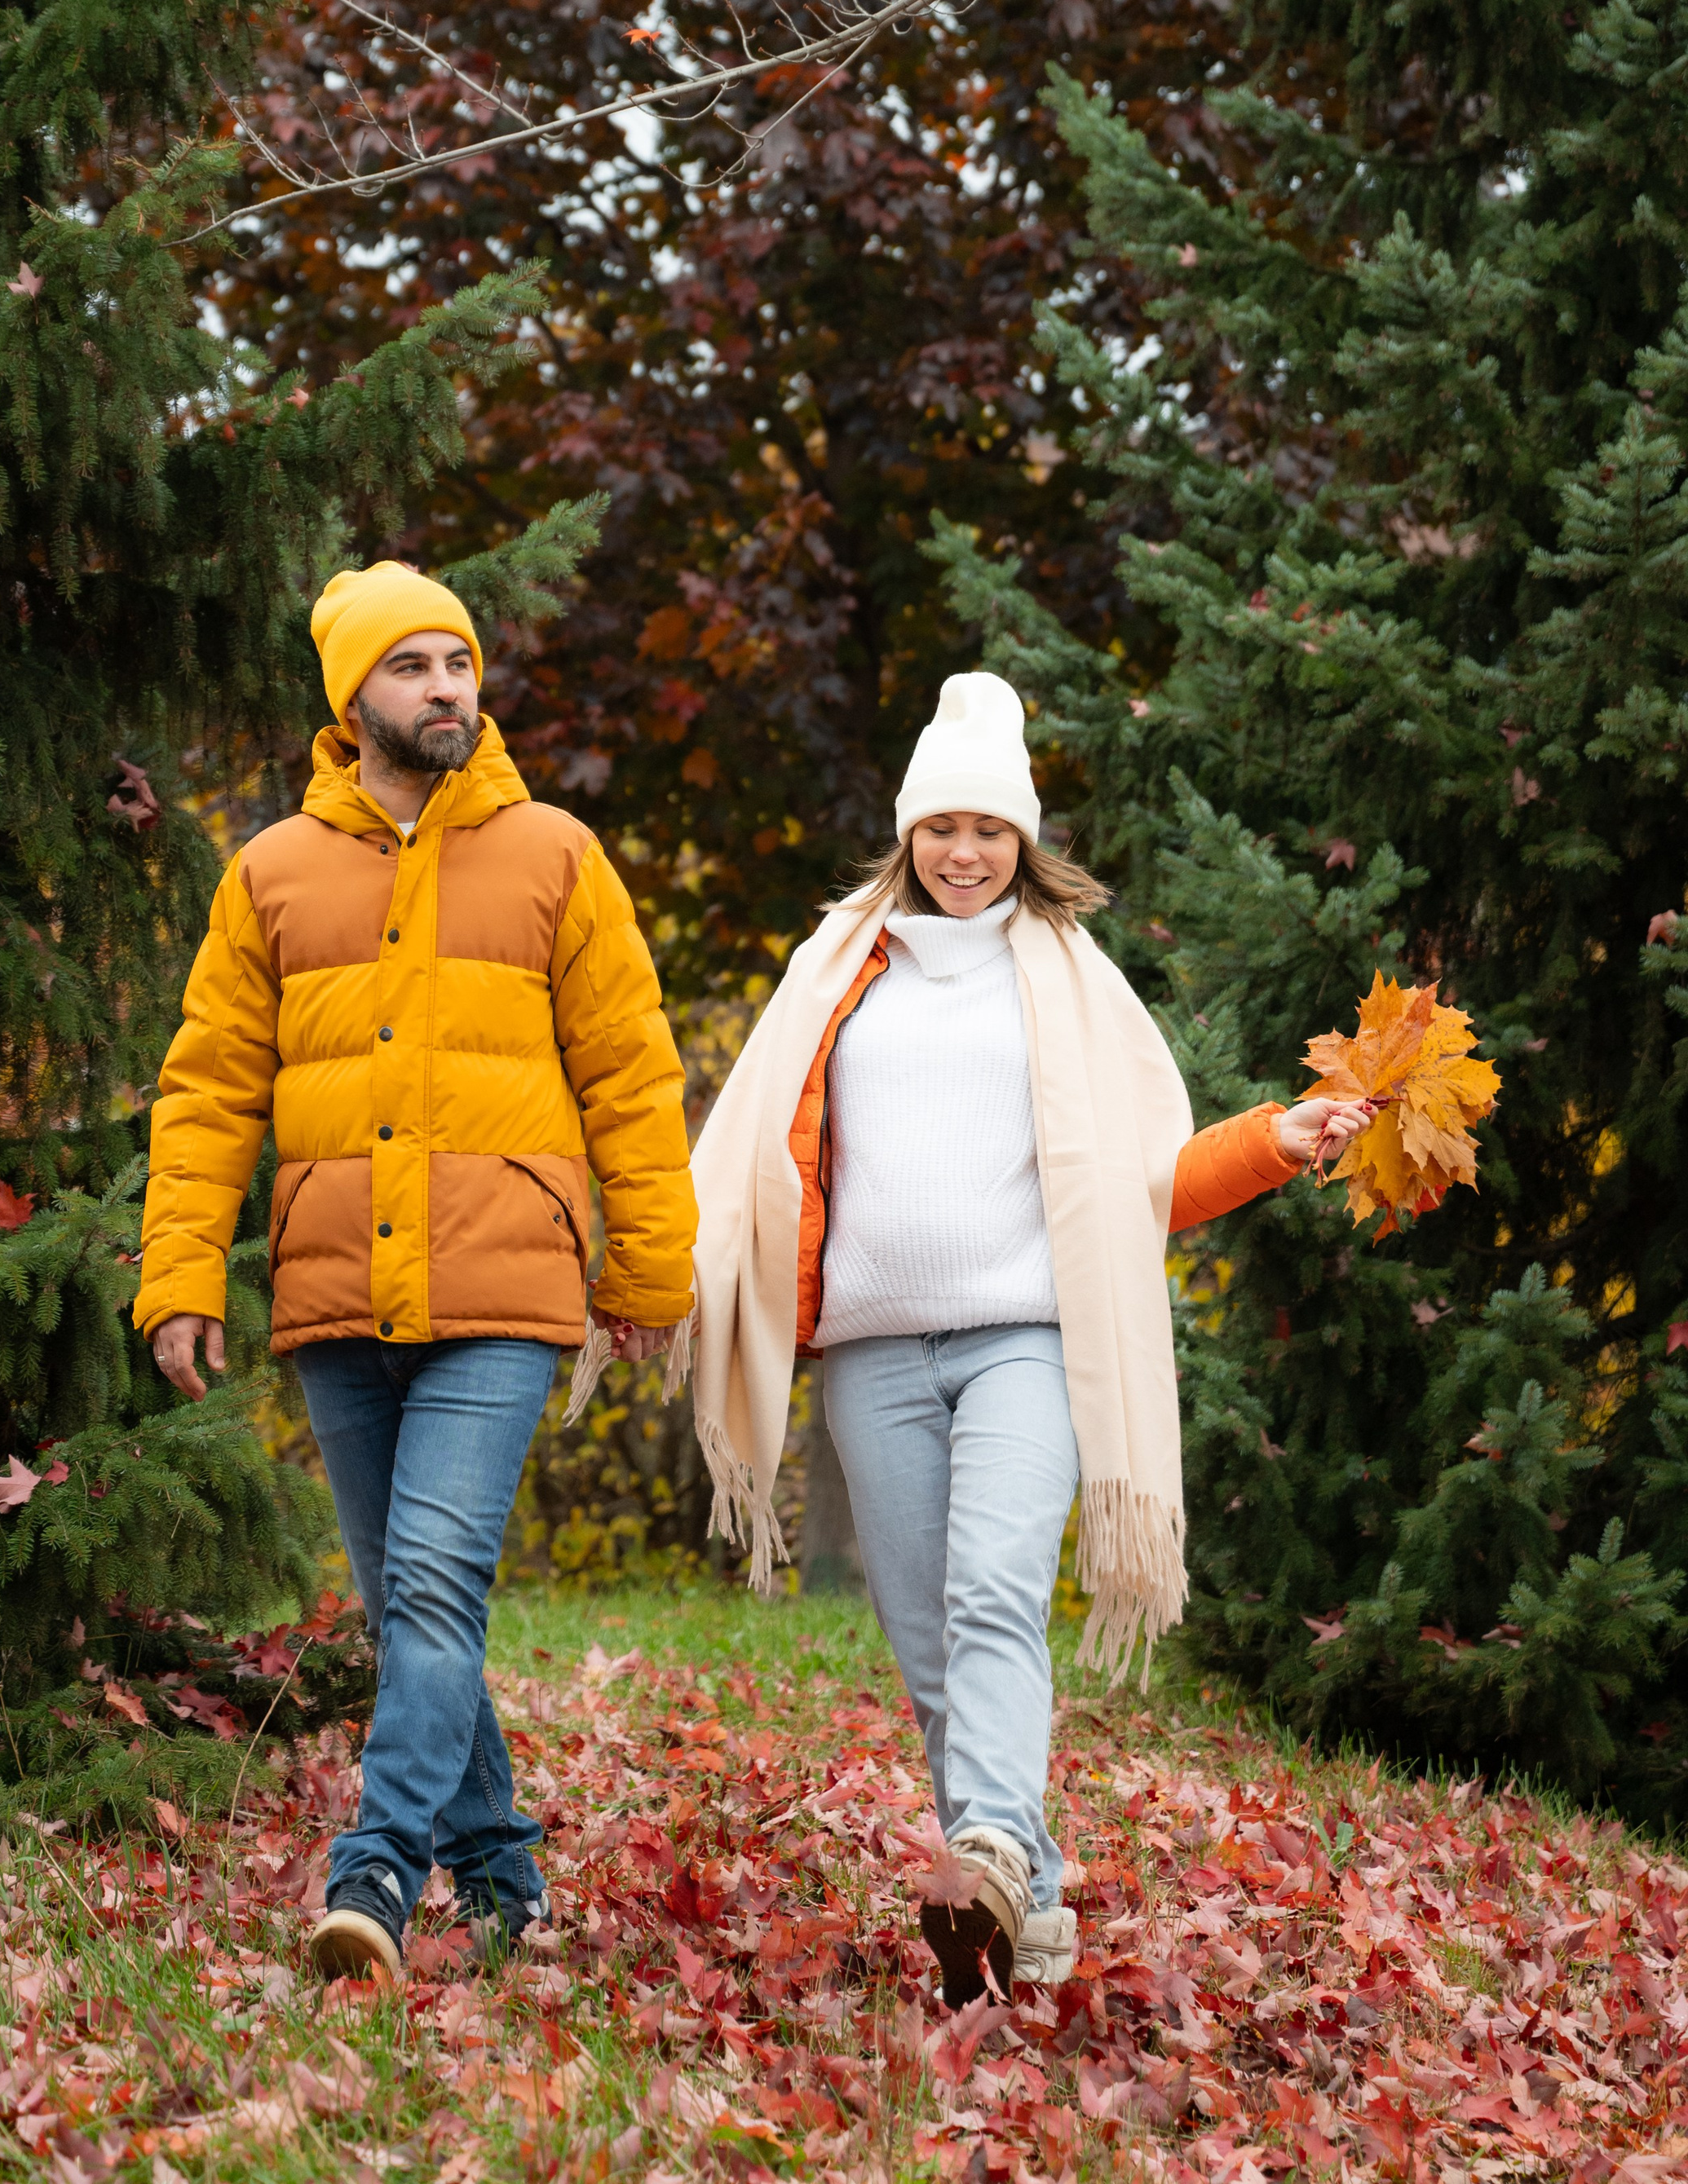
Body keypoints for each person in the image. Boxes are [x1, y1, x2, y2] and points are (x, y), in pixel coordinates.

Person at [684, 673, 1379, 2009]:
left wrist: (1273, 1142)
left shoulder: (1072, 979)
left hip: (1025, 1341)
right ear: (907, 832)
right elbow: (749, 1164)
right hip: (876, 1354)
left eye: (990, 830)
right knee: (927, 1637)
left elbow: (1146, 1181)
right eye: (941, 825)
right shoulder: (836, 965)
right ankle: (1028, 1900)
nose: (964, 852)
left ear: (1025, 842)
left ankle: (989, 1847)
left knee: (999, 1587)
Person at [135, 559, 696, 1980]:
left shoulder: (555, 852)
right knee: (403, 1606)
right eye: (414, 667)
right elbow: (207, 1088)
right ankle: (505, 1874)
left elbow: (631, 1070)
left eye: (459, 663)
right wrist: (183, 1270)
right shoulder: (270, 869)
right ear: (352, 699)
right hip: (334, 1286)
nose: (448, 687)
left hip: (506, 1284)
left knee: (437, 1586)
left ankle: (374, 1874)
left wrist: (650, 1269)